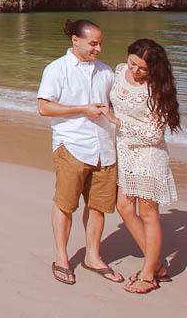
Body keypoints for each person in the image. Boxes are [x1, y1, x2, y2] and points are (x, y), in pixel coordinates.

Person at [37, 18, 123, 286]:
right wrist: (82, 109)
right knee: (65, 204)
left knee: (98, 206)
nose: (98, 49)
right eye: (93, 43)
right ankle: (62, 258)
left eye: (100, 43)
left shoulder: (106, 72)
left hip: (104, 148)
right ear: (76, 41)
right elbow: (44, 107)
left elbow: (113, 106)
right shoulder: (57, 69)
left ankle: (93, 257)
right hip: (71, 145)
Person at [108, 38, 181, 294]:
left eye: (142, 69)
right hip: (125, 151)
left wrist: (116, 121)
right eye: (133, 64)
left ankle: (149, 274)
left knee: (149, 214)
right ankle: (157, 264)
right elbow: (110, 100)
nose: (135, 71)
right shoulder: (119, 71)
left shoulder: (156, 88)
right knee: (124, 207)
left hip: (150, 155)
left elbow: (154, 135)